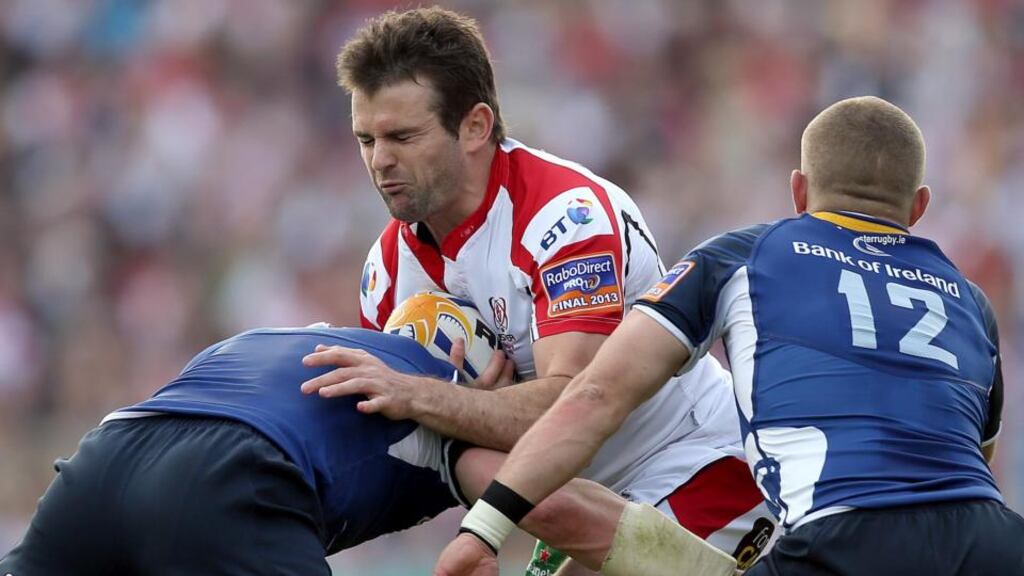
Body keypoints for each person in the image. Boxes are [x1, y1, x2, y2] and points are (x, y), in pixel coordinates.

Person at [440, 96, 1024, 575]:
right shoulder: (969, 300)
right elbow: (974, 457)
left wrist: (484, 530)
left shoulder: (744, 256)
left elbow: (597, 394)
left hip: (843, 542)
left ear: (799, 192)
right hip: (995, 543)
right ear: (918, 207)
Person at [307, 6, 774, 574]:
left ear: (475, 126)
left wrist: (429, 398)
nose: (380, 161)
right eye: (366, 139)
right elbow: (439, 447)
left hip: (694, 464)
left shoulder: (563, 219)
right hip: (561, 502)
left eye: (403, 136)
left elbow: (571, 403)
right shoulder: (385, 274)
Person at [0, 324, 666, 576]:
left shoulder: (277, 335)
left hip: (103, 459)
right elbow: (554, 512)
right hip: (227, 482)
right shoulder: (434, 399)